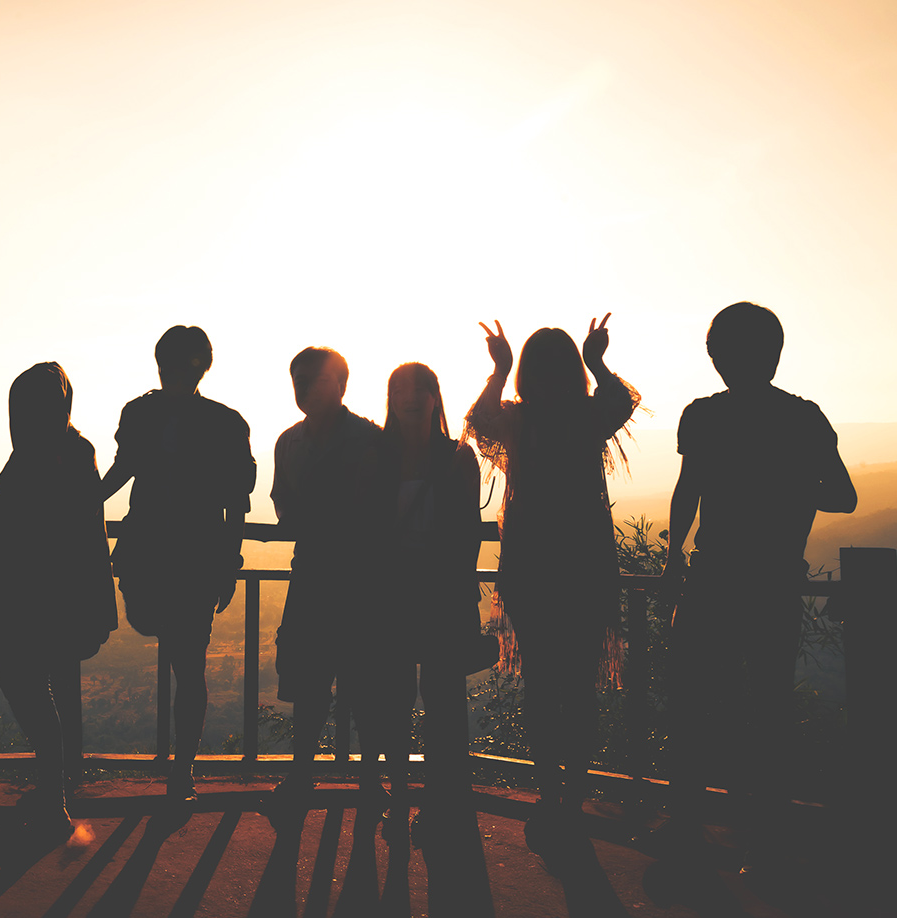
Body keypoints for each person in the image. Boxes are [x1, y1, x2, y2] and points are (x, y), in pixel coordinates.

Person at [662, 302, 856, 875]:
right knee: (767, 709)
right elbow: (842, 495)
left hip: (712, 577)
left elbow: (686, 492)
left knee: (696, 705)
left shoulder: (700, 416)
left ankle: (688, 830)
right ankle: (763, 841)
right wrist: (791, 486)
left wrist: (674, 557)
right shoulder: (804, 418)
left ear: (717, 354)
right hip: (772, 582)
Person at [466, 315, 639, 852]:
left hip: (545, 566)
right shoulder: (584, 416)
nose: (547, 377)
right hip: (568, 566)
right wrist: (590, 364)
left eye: (556, 366)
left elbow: (479, 419)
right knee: (556, 686)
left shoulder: (536, 420)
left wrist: (506, 369)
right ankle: (559, 792)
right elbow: (480, 419)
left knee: (558, 686)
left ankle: (561, 793)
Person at [101, 326, 255, 805]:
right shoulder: (225, 423)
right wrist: (229, 560)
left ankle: (182, 769)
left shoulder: (141, 413)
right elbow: (237, 505)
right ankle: (182, 771)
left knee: (182, 658)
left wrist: (80, 502)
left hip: (163, 553)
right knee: (188, 663)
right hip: (193, 556)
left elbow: (122, 470)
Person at [0, 363, 117, 838]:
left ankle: (53, 797)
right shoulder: (71, 452)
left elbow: (24, 528)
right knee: (40, 691)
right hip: (50, 596)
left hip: (30, 596)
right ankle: (54, 790)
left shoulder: (49, 456)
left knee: (30, 691)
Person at [364, 363, 484, 837]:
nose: (411, 397)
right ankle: (408, 798)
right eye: (400, 389)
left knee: (439, 702)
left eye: (420, 389)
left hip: (433, 596)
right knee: (400, 699)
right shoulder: (381, 456)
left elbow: (467, 534)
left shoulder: (457, 456)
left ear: (436, 396)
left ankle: (433, 800)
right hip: (405, 595)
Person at [268, 347, 382, 808]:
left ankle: (369, 779)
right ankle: (303, 777)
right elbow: (281, 499)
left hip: (358, 581)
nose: (303, 388)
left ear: (341, 385)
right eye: (298, 380)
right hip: (312, 576)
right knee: (310, 684)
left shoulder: (369, 439)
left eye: (312, 379)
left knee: (362, 685)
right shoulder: (289, 441)